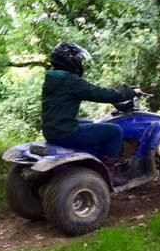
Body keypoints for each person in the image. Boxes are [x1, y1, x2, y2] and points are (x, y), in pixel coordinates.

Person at [41, 42, 136, 180]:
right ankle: (109, 173)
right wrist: (129, 93)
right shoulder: (71, 81)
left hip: (52, 130)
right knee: (115, 131)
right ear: (70, 61)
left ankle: (93, 160)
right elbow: (98, 93)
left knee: (93, 123)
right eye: (79, 60)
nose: (80, 64)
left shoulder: (52, 78)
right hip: (66, 133)